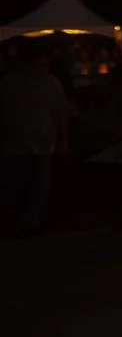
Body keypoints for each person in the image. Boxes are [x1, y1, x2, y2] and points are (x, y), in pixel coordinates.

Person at [0, 39, 69, 233]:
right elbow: (60, 113)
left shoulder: (9, 83)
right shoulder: (50, 83)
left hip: (16, 140)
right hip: (40, 141)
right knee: (36, 184)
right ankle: (30, 219)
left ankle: (19, 217)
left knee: (16, 181)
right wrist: (63, 138)